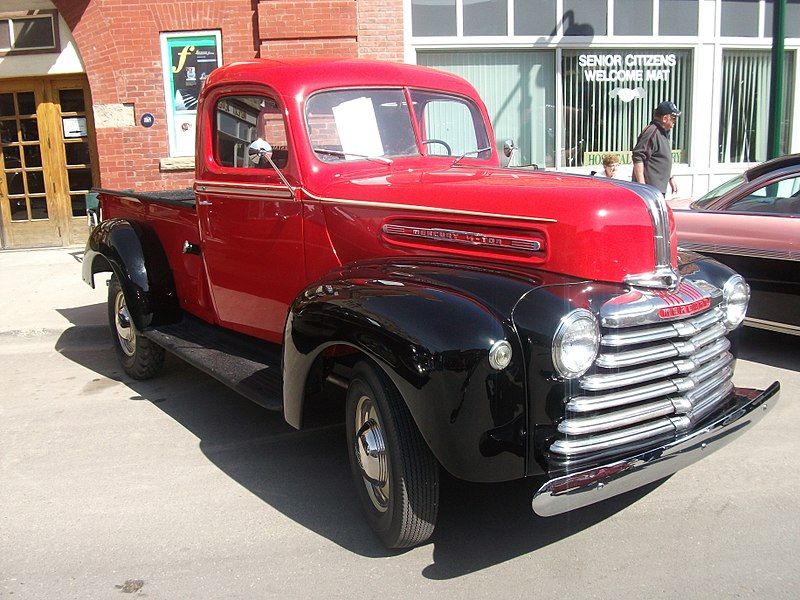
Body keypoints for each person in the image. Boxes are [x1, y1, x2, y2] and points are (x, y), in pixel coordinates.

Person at [631, 101, 680, 195]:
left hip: (657, 190)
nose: (675, 121)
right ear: (665, 118)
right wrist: (642, 186)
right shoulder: (652, 132)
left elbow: (661, 159)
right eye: (673, 118)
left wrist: (671, 178)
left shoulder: (662, 133)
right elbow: (638, 157)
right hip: (649, 191)